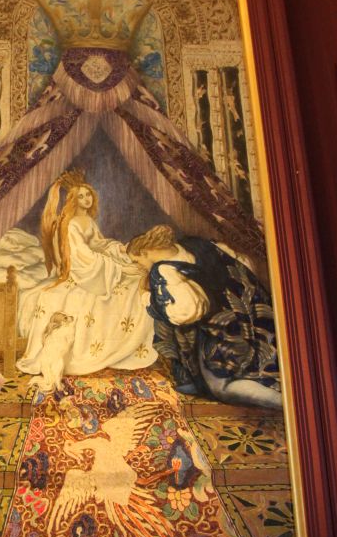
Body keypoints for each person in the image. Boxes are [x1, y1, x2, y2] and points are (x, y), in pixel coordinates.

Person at [16, 171, 155, 394]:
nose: (86, 199)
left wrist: (119, 250)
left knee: (137, 278)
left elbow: (98, 244)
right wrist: (116, 267)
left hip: (96, 269)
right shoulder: (70, 224)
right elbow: (81, 257)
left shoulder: (87, 220)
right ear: (73, 199)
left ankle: (128, 345)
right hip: (82, 274)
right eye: (81, 196)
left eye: (88, 195)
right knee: (124, 282)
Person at [126, 224, 282, 409]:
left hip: (223, 330)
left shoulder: (163, 271)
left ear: (145, 252)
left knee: (222, 387)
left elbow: (186, 314)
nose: (138, 267)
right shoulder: (196, 245)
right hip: (251, 316)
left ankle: (284, 402)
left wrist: (149, 299)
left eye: (136, 261)